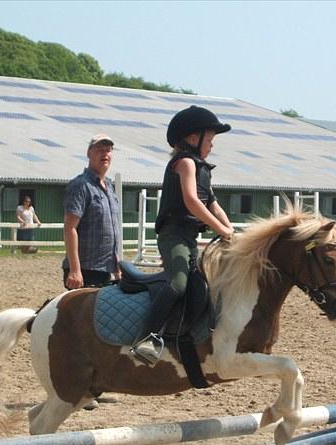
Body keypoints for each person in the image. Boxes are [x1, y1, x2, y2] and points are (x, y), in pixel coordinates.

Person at [131, 106, 234, 365]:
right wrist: (220, 229)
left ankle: (181, 337)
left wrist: (231, 229)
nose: (211, 145)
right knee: (177, 282)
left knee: (201, 286)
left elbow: (211, 203)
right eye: (209, 140)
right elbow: (191, 201)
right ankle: (146, 337)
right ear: (192, 138)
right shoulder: (185, 163)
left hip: (189, 238)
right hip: (173, 235)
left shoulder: (203, 169)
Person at [62, 133, 122, 289]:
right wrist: (75, 270)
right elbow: (70, 228)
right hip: (85, 270)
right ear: (89, 153)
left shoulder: (109, 187)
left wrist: (116, 265)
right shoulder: (80, 186)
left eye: (108, 150)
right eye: (100, 150)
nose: (105, 154)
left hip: (104, 269)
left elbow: (112, 230)